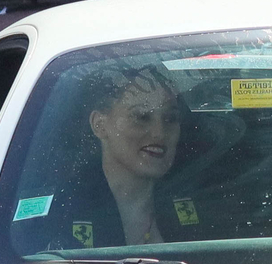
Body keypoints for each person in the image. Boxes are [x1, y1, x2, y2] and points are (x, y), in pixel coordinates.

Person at [61, 64, 196, 248]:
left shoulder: (202, 198)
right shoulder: (63, 211)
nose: (159, 133)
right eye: (141, 116)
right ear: (99, 125)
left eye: (170, 119)